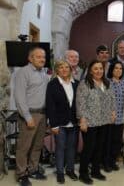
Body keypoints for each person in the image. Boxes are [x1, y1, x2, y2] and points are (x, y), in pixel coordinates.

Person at [76, 60, 116, 184]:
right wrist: (82, 119)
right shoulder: (85, 84)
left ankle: (95, 171)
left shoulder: (106, 82)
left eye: (100, 68)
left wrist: (113, 112)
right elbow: (80, 103)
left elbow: (112, 98)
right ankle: (83, 173)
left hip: (104, 120)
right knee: (89, 148)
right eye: (96, 69)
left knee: (99, 148)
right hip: (90, 121)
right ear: (90, 70)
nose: (99, 71)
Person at [14, 47, 49, 186]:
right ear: (30, 58)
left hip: (42, 113)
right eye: (38, 57)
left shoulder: (43, 72)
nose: (42, 59)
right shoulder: (23, 72)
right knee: (24, 147)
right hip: (30, 114)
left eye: (44, 57)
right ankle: (21, 174)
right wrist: (27, 117)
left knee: (37, 145)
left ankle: (33, 169)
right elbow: (19, 97)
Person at [46, 60, 79, 184]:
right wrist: (53, 124)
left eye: (67, 67)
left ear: (70, 70)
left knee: (71, 148)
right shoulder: (52, 84)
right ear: (57, 70)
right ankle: (60, 172)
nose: (64, 69)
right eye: (61, 67)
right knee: (60, 148)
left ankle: (70, 169)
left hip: (74, 122)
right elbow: (50, 105)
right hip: (59, 123)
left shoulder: (76, 83)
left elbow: (79, 103)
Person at [104, 61, 124, 172]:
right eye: (116, 68)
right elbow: (104, 99)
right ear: (112, 70)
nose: (118, 70)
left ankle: (113, 161)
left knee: (117, 141)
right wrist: (110, 113)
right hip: (109, 117)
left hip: (121, 117)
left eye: (120, 69)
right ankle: (106, 162)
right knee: (107, 141)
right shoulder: (107, 82)